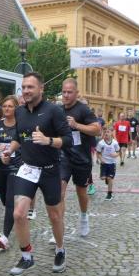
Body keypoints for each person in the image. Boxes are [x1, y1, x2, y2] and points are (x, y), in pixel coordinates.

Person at [1, 72, 71, 276]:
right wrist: (10, 150)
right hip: (28, 168)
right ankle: (26, 256)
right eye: (23, 87)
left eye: (30, 87)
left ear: (41, 88)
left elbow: (68, 139)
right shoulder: (20, 112)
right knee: (18, 213)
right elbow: (19, 137)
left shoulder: (54, 111)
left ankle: (60, 250)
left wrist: (48, 140)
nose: (26, 91)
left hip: (50, 170)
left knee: (55, 216)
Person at [58, 78, 100, 239]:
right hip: (63, 157)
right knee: (59, 191)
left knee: (81, 192)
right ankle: (58, 228)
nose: (66, 95)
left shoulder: (83, 110)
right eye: (64, 92)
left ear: (76, 93)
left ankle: (83, 217)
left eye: (69, 92)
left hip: (81, 157)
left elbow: (97, 130)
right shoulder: (58, 110)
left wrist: (77, 125)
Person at [0, 95, 21, 250]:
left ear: (15, 108)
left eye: (10, 106)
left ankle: (5, 237)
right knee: (5, 199)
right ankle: (15, 215)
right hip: (0, 168)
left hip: (16, 167)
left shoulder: (20, 126)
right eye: (4, 106)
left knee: (10, 202)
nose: (6, 108)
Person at [96, 126, 119, 201]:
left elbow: (118, 152)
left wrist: (115, 155)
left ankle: (109, 194)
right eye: (105, 132)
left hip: (112, 163)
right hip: (104, 163)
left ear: (111, 133)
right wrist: (100, 159)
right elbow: (98, 152)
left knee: (110, 178)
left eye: (108, 132)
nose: (106, 133)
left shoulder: (115, 143)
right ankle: (106, 178)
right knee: (102, 178)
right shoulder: (101, 143)